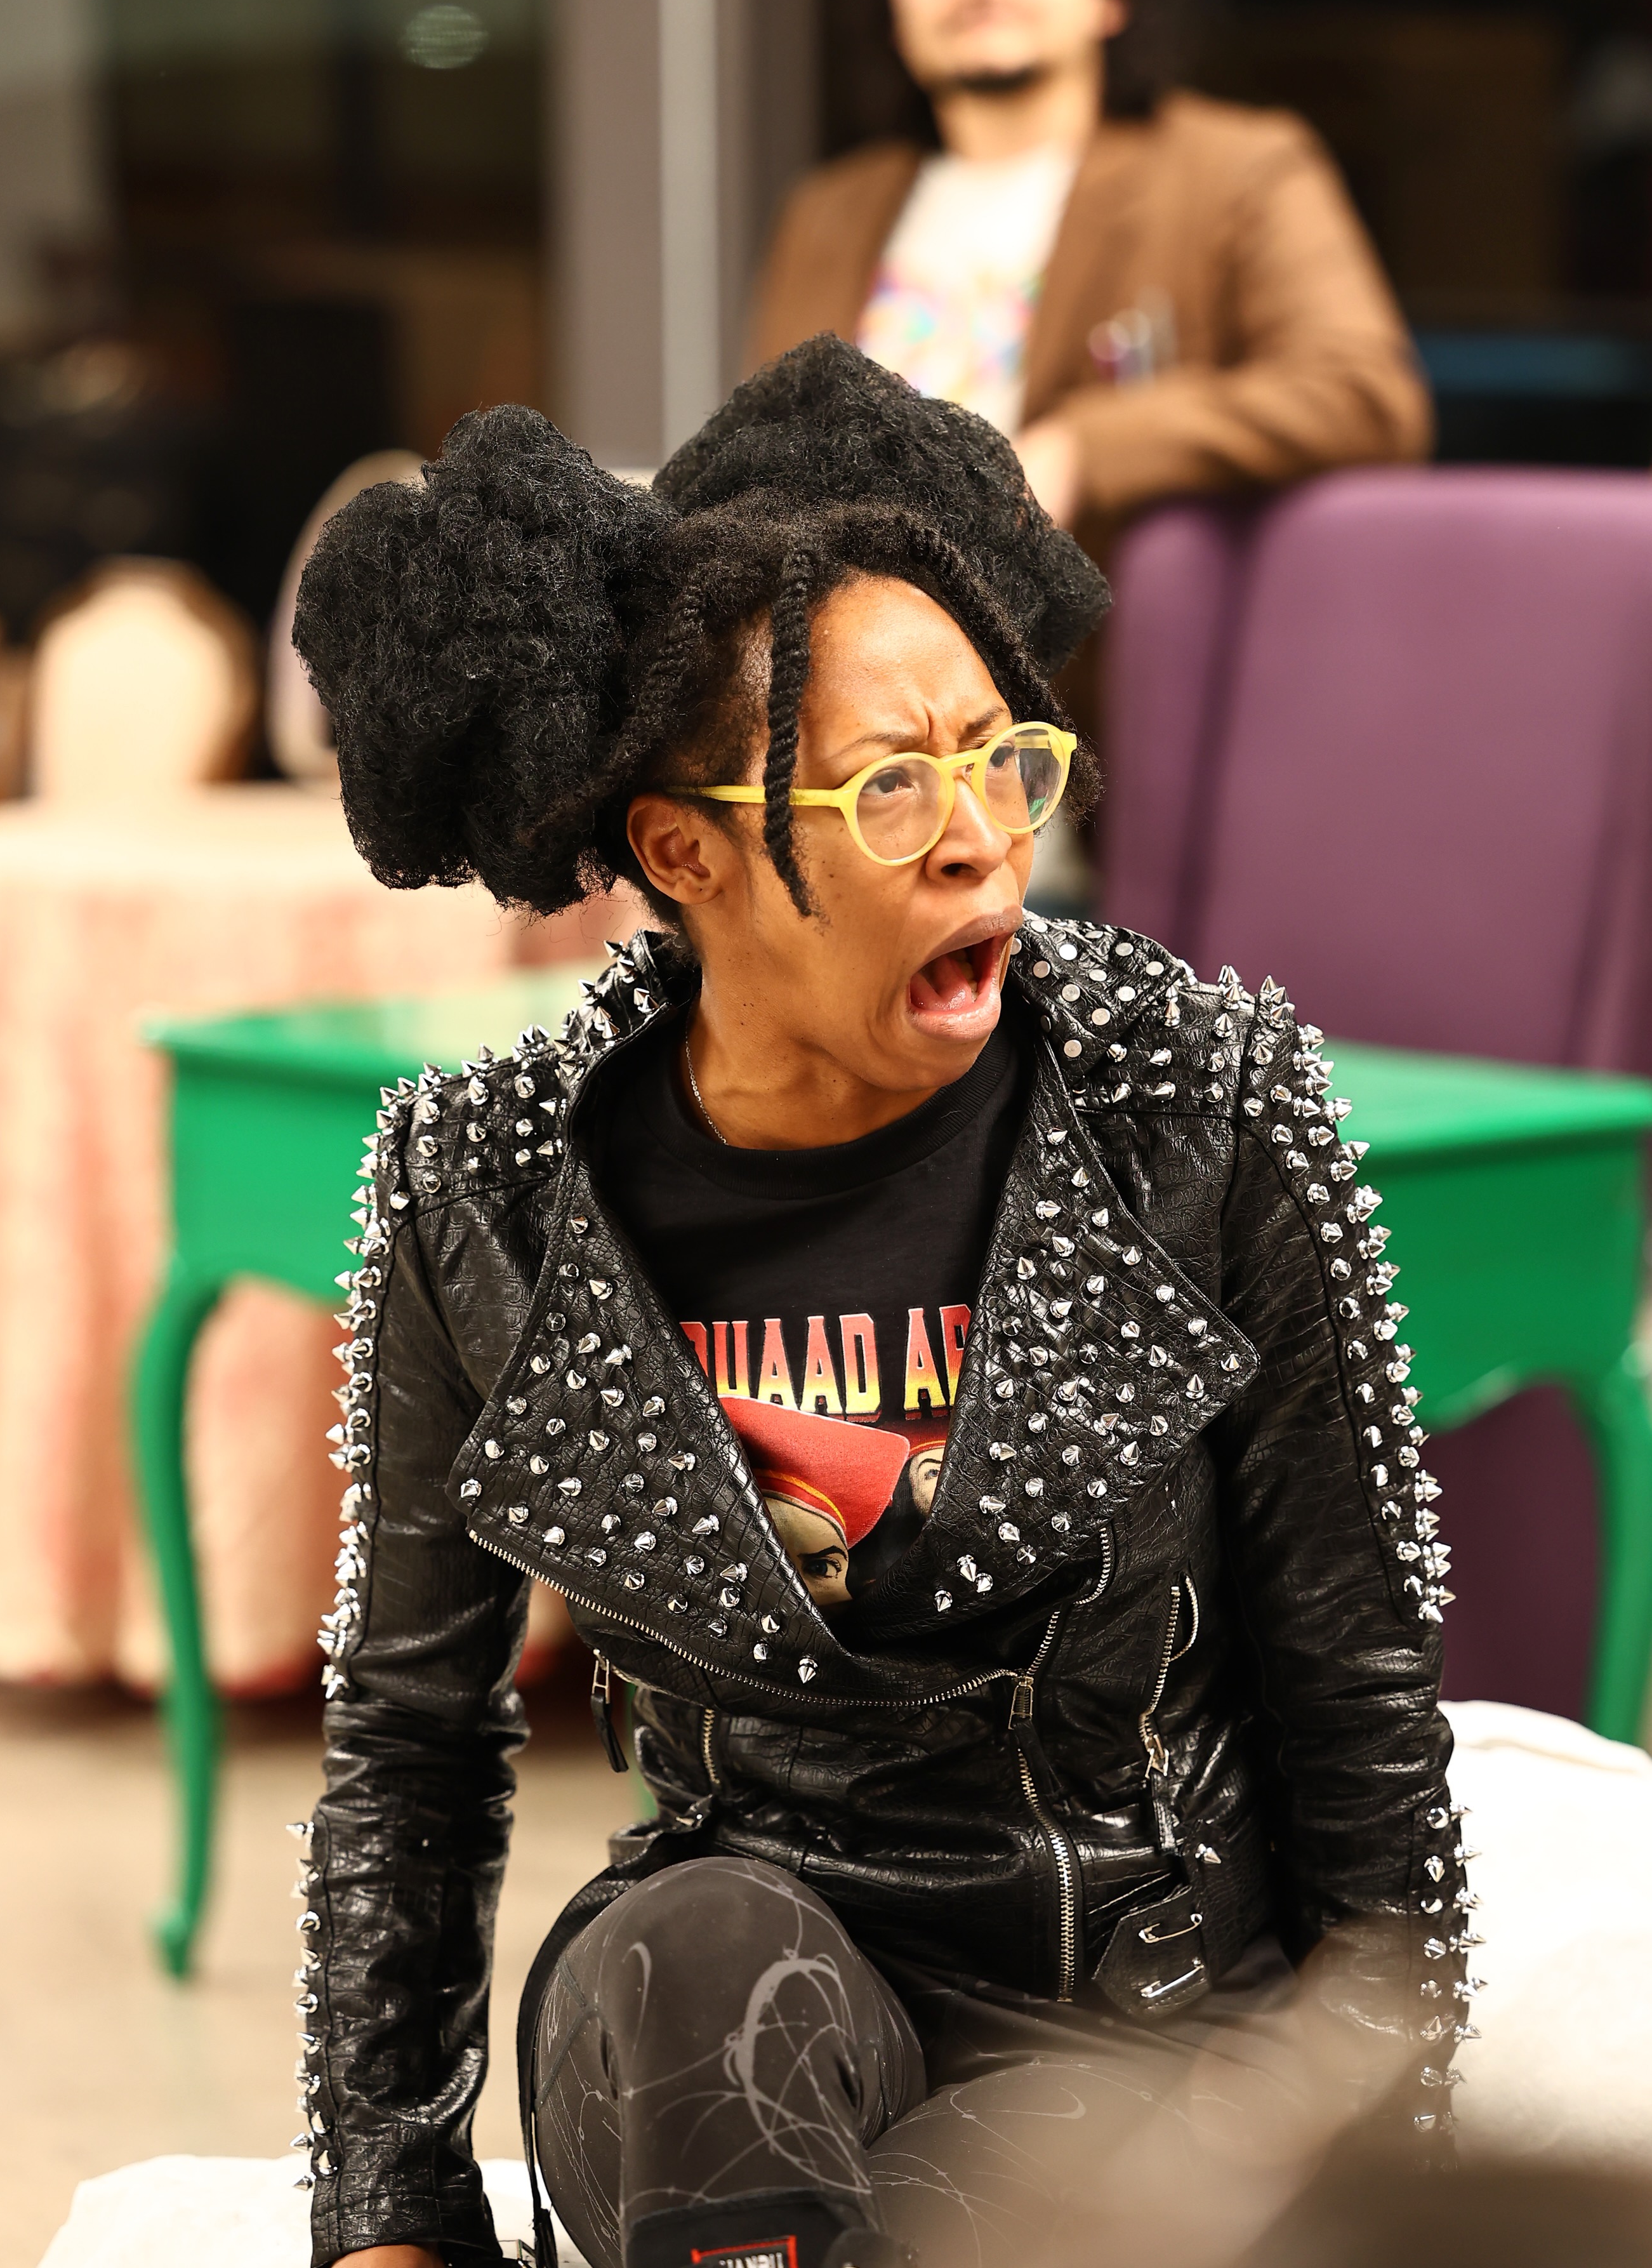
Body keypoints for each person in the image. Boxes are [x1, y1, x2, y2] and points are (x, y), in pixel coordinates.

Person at [290, 338, 1467, 2268]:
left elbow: (1356, 1688)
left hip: (1136, 1996)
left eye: (1004, 758)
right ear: (684, 851)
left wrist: (1388, 2151)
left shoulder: (1197, 1109)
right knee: (687, 1960)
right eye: (892, 783)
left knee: (991, 2208)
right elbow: (412, 1739)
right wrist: (385, 2220)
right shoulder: (488, 1194)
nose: (984, 834)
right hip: (743, 1980)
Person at [751, 0, 1432, 584]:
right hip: (840, 647)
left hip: (1092, 649)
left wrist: (1084, 448)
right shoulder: (827, 211)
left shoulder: (1235, 171)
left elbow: (1365, 394)